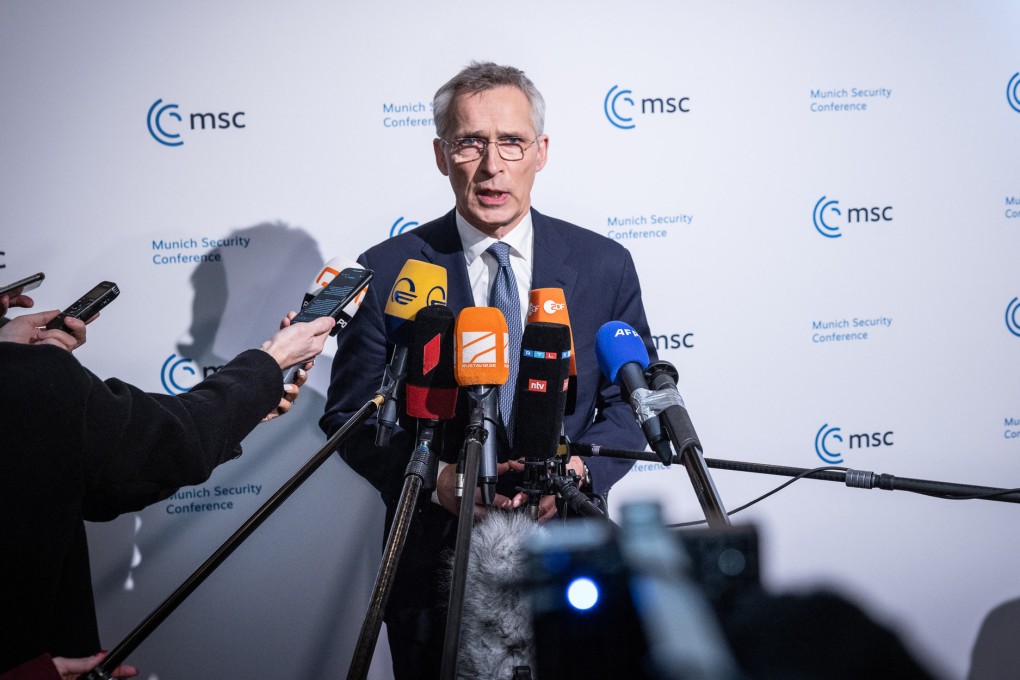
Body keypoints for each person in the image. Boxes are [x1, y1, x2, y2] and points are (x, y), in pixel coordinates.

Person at [321, 61, 656, 678]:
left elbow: (631, 402)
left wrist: (579, 474)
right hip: (434, 573)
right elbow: (350, 416)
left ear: (541, 151)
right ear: (441, 155)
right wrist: (439, 480)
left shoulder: (603, 264)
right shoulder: (392, 268)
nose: (492, 165)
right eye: (470, 142)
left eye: (512, 142)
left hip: (573, 559)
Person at [0, 294, 335, 677]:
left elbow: (106, 481)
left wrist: (243, 409)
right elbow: (166, 445)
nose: (10, 300)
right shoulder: (27, 375)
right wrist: (272, 360)